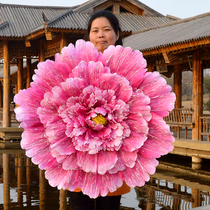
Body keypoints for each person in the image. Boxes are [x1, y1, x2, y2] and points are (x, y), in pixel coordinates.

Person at [68, 10, 131, 210]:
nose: (101, 35)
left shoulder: (129, 65)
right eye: (95, 30)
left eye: (106, 29)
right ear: (89, 36)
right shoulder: (73, 62)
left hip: (115, 152)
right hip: (78, 152)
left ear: (118, 34)